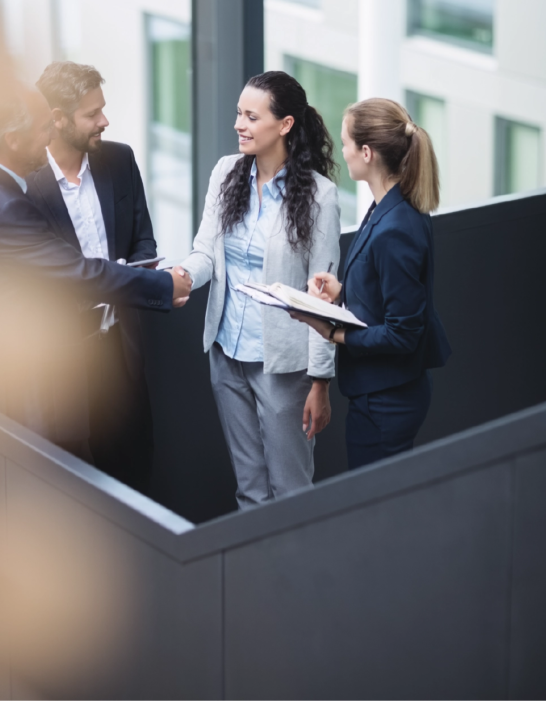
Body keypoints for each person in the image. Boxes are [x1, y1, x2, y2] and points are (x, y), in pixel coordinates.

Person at [0, 82, 192, 456]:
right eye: (43, 128)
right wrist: (163, 285)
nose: (49, 137)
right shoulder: (8, 208)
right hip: (31, 396)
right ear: (12, 139)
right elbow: (80, 274)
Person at [178, 71, 341, 509]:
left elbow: (321, 297)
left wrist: (321, 381)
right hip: (226, 354)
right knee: (248, 489)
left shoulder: (320, 196)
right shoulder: (226, 172)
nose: (239, 124)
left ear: (285, 124)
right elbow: (206, 253)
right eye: (238, 113)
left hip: (283, 368)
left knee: (291, 492)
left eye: (251, 116)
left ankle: (297, 576)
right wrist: (181, 278)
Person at [292, 98, 451, 470]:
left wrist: (333, 334)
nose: (342, 151)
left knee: (378, 513)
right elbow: (388, 290)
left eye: (346, 143)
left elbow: (402, 334)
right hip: (382, 392)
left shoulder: (397, 226)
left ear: (367, 152)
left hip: (387, 399)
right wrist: (342, 291)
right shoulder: (388, 207)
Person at [27, 61, 162, 492]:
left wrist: (136, 270)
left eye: (102, 109)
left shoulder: (119, 160)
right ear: (58, 119)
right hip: (59, 365)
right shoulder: (26, 186)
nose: (104, 121)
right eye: (92, 114)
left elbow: (145, 244)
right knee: (71, 497)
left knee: (135, 484)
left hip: (119, 354)